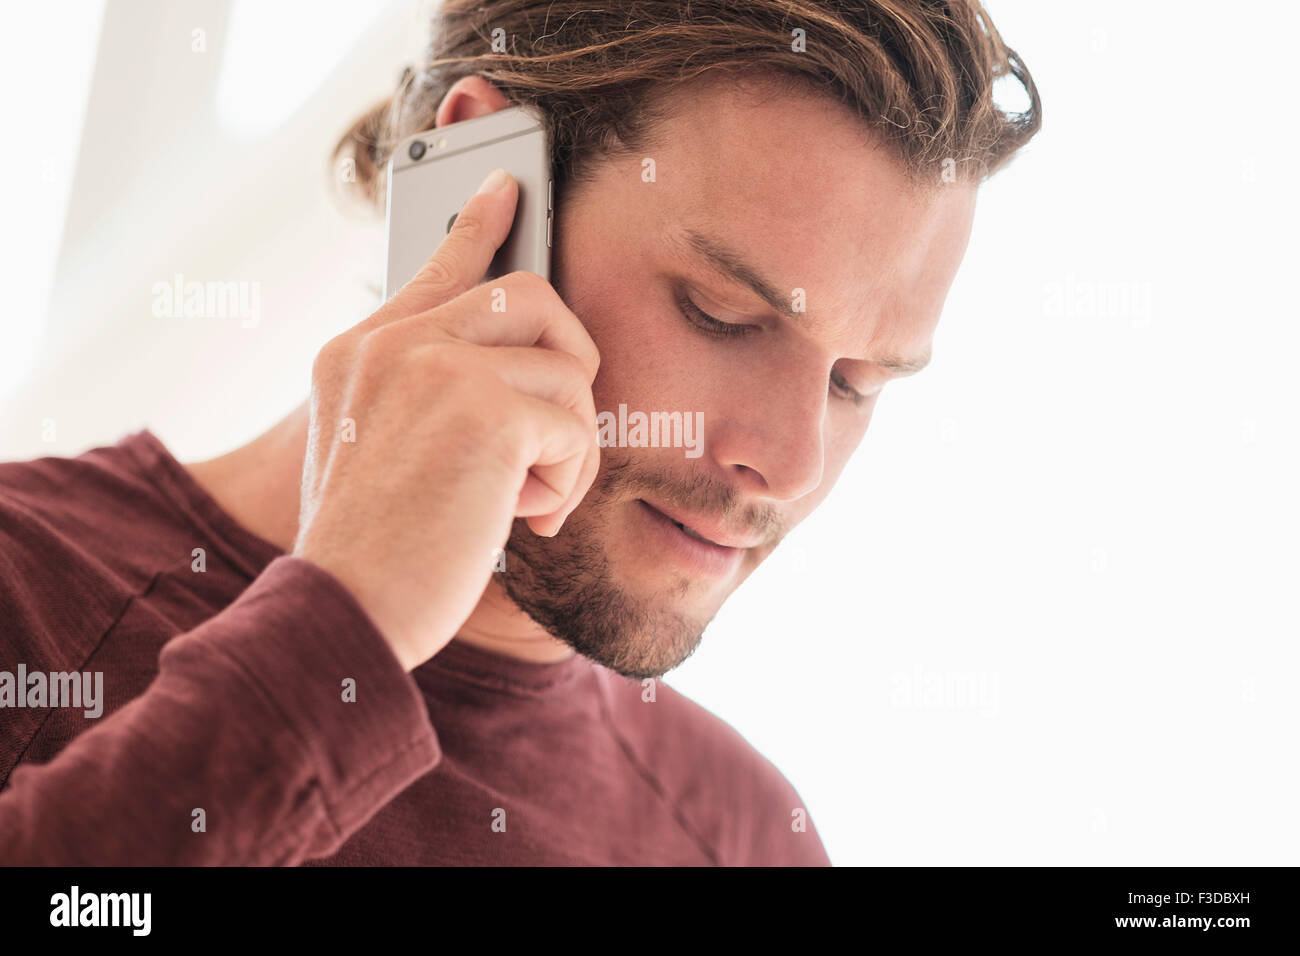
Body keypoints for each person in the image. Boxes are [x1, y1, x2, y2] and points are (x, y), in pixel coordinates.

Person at [0, 0, 1040, 865]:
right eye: (722, 314)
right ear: (474, 185)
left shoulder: (745, 837)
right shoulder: (26, 591)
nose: (790, 464)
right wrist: (338, 630)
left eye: (859, 383)